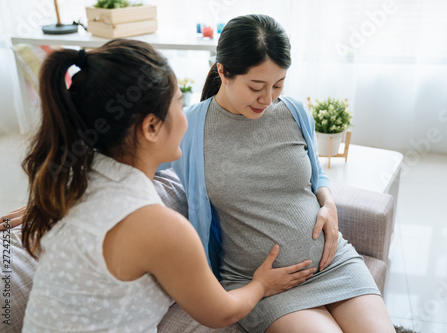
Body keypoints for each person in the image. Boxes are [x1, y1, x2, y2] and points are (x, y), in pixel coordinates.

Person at [7, 39, 314, 332]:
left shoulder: (77, 181)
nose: (186, 116)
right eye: (180, 104)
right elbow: (221, 312)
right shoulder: (160, 228)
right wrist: (261, 284)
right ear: (151, 127)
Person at [157, 14, 396, 333]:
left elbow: (316, 175)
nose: (268, 99)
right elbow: (136, 162)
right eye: (256, 87)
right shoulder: (189, 128)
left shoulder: (294, 111)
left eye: (278, 85)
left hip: (332, 263)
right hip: (264, 285)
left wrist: (328, 202)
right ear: (223, 71)